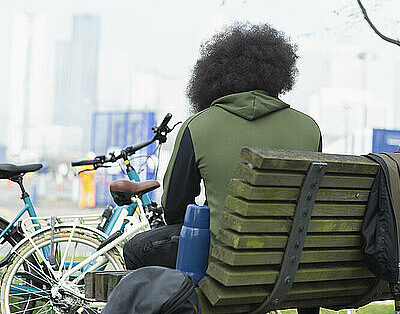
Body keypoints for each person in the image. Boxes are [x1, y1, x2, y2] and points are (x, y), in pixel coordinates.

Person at [123, 23, 322, 270]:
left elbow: (174, 210)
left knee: (134, 250)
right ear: (278, 74)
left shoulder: (197, 126)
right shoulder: (309, 129)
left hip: (222, 262)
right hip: (288, 262)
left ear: (213, 76)